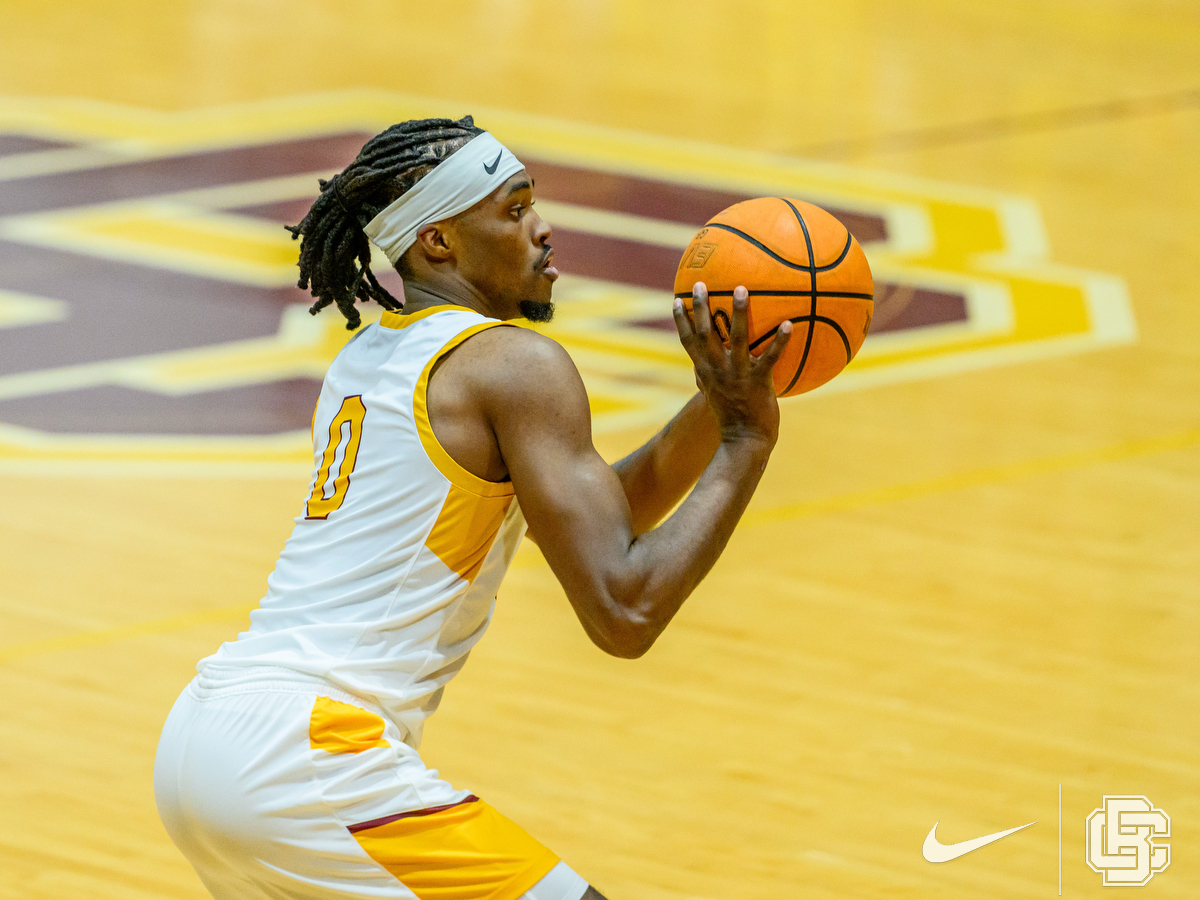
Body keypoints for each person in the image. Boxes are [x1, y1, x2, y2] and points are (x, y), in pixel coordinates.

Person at [154, 115, 792, 900]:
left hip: (206, 736)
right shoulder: (513, 365)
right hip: (305, 753)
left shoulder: (370, 358)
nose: (543, 229)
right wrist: (745, 441)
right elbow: (625, 609)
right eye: (514, 210)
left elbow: (601, 519)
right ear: (439, 242)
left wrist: (721, 402)